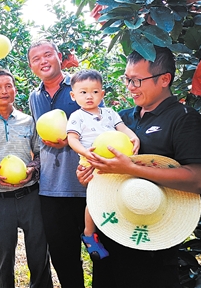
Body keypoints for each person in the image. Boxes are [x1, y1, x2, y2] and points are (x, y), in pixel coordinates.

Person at [78, 46, 201, 288]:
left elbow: (197, 180)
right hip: (112, 230)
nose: (130, 87)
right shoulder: (121, 119)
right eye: (127, 79)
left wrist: (130, 167)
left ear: (164, 79)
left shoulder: (184, 119)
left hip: (152, 240)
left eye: (137, 80)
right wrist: (92, 171)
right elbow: (105, 165)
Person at [0, 68, 52, 288]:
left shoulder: (29, 121)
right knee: (3, 257)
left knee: (39, 254)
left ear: (15, 90)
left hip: (30, 196)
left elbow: (39, 154)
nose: (4, 91)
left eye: (8, 86)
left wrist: (32, 170)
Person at [27, 40, 87, 288]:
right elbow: (41, 142)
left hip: (87, 185)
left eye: (47, 54)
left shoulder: (81, 85)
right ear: (31, 66)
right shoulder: (34, 96)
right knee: (63, 257)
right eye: (36, 58)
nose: (43, 61)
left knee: (100, 250)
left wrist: (72, 141)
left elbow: (101, 125)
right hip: (52, 190)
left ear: (59, 57)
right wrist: (35, 166)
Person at [66, 69, 140, 261]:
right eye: (83, 92)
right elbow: (72, 139)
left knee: (117, 193)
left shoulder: (109, 113)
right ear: (73, 95)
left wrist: (134, 137)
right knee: (95, 198)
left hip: (115, 160)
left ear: (102, 93)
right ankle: (89, 234)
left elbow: (123, 129)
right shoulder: (76, 116)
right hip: (92, 160)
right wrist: (84, 151)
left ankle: (119, 228)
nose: (89, 96)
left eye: (95, 91)